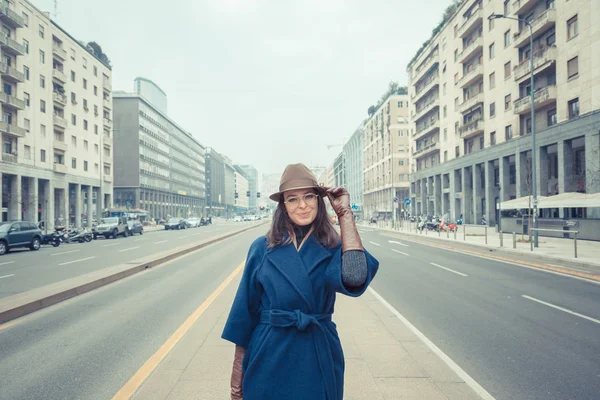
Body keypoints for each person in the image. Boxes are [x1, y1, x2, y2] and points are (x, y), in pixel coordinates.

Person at [222, 163, 379, 400]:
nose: (302, 205)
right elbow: (243, 317)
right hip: (268, 354)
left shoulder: (333, 245)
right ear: (283, 206)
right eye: (292, 199)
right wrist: (236, 387)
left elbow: (355, 278)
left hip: (317, 352)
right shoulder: (261, 248)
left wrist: (345, 215)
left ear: (319, 199)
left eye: (308, 196)